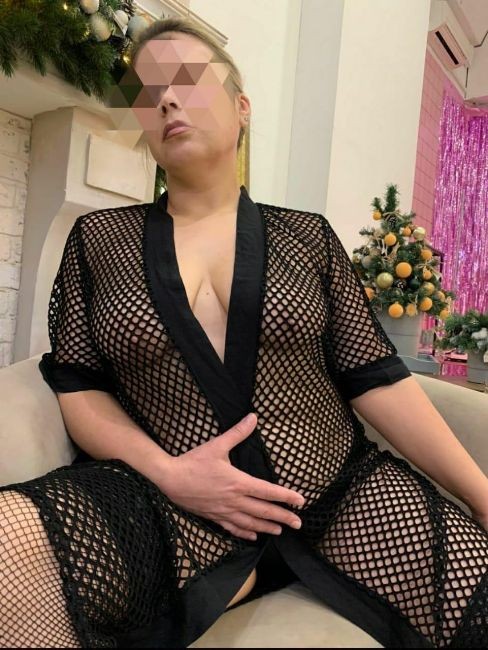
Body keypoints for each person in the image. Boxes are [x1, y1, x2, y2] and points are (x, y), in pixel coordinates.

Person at [1, 15, 487, 649]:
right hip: (175, 504)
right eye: (147, 93)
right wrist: (169, 474)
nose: (166, 100)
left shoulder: (306, 236)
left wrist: (481, 493)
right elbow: (78, 385)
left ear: (241, 107)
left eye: (186, 80)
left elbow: (375, 378)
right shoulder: (100, 240)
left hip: (340, 497)